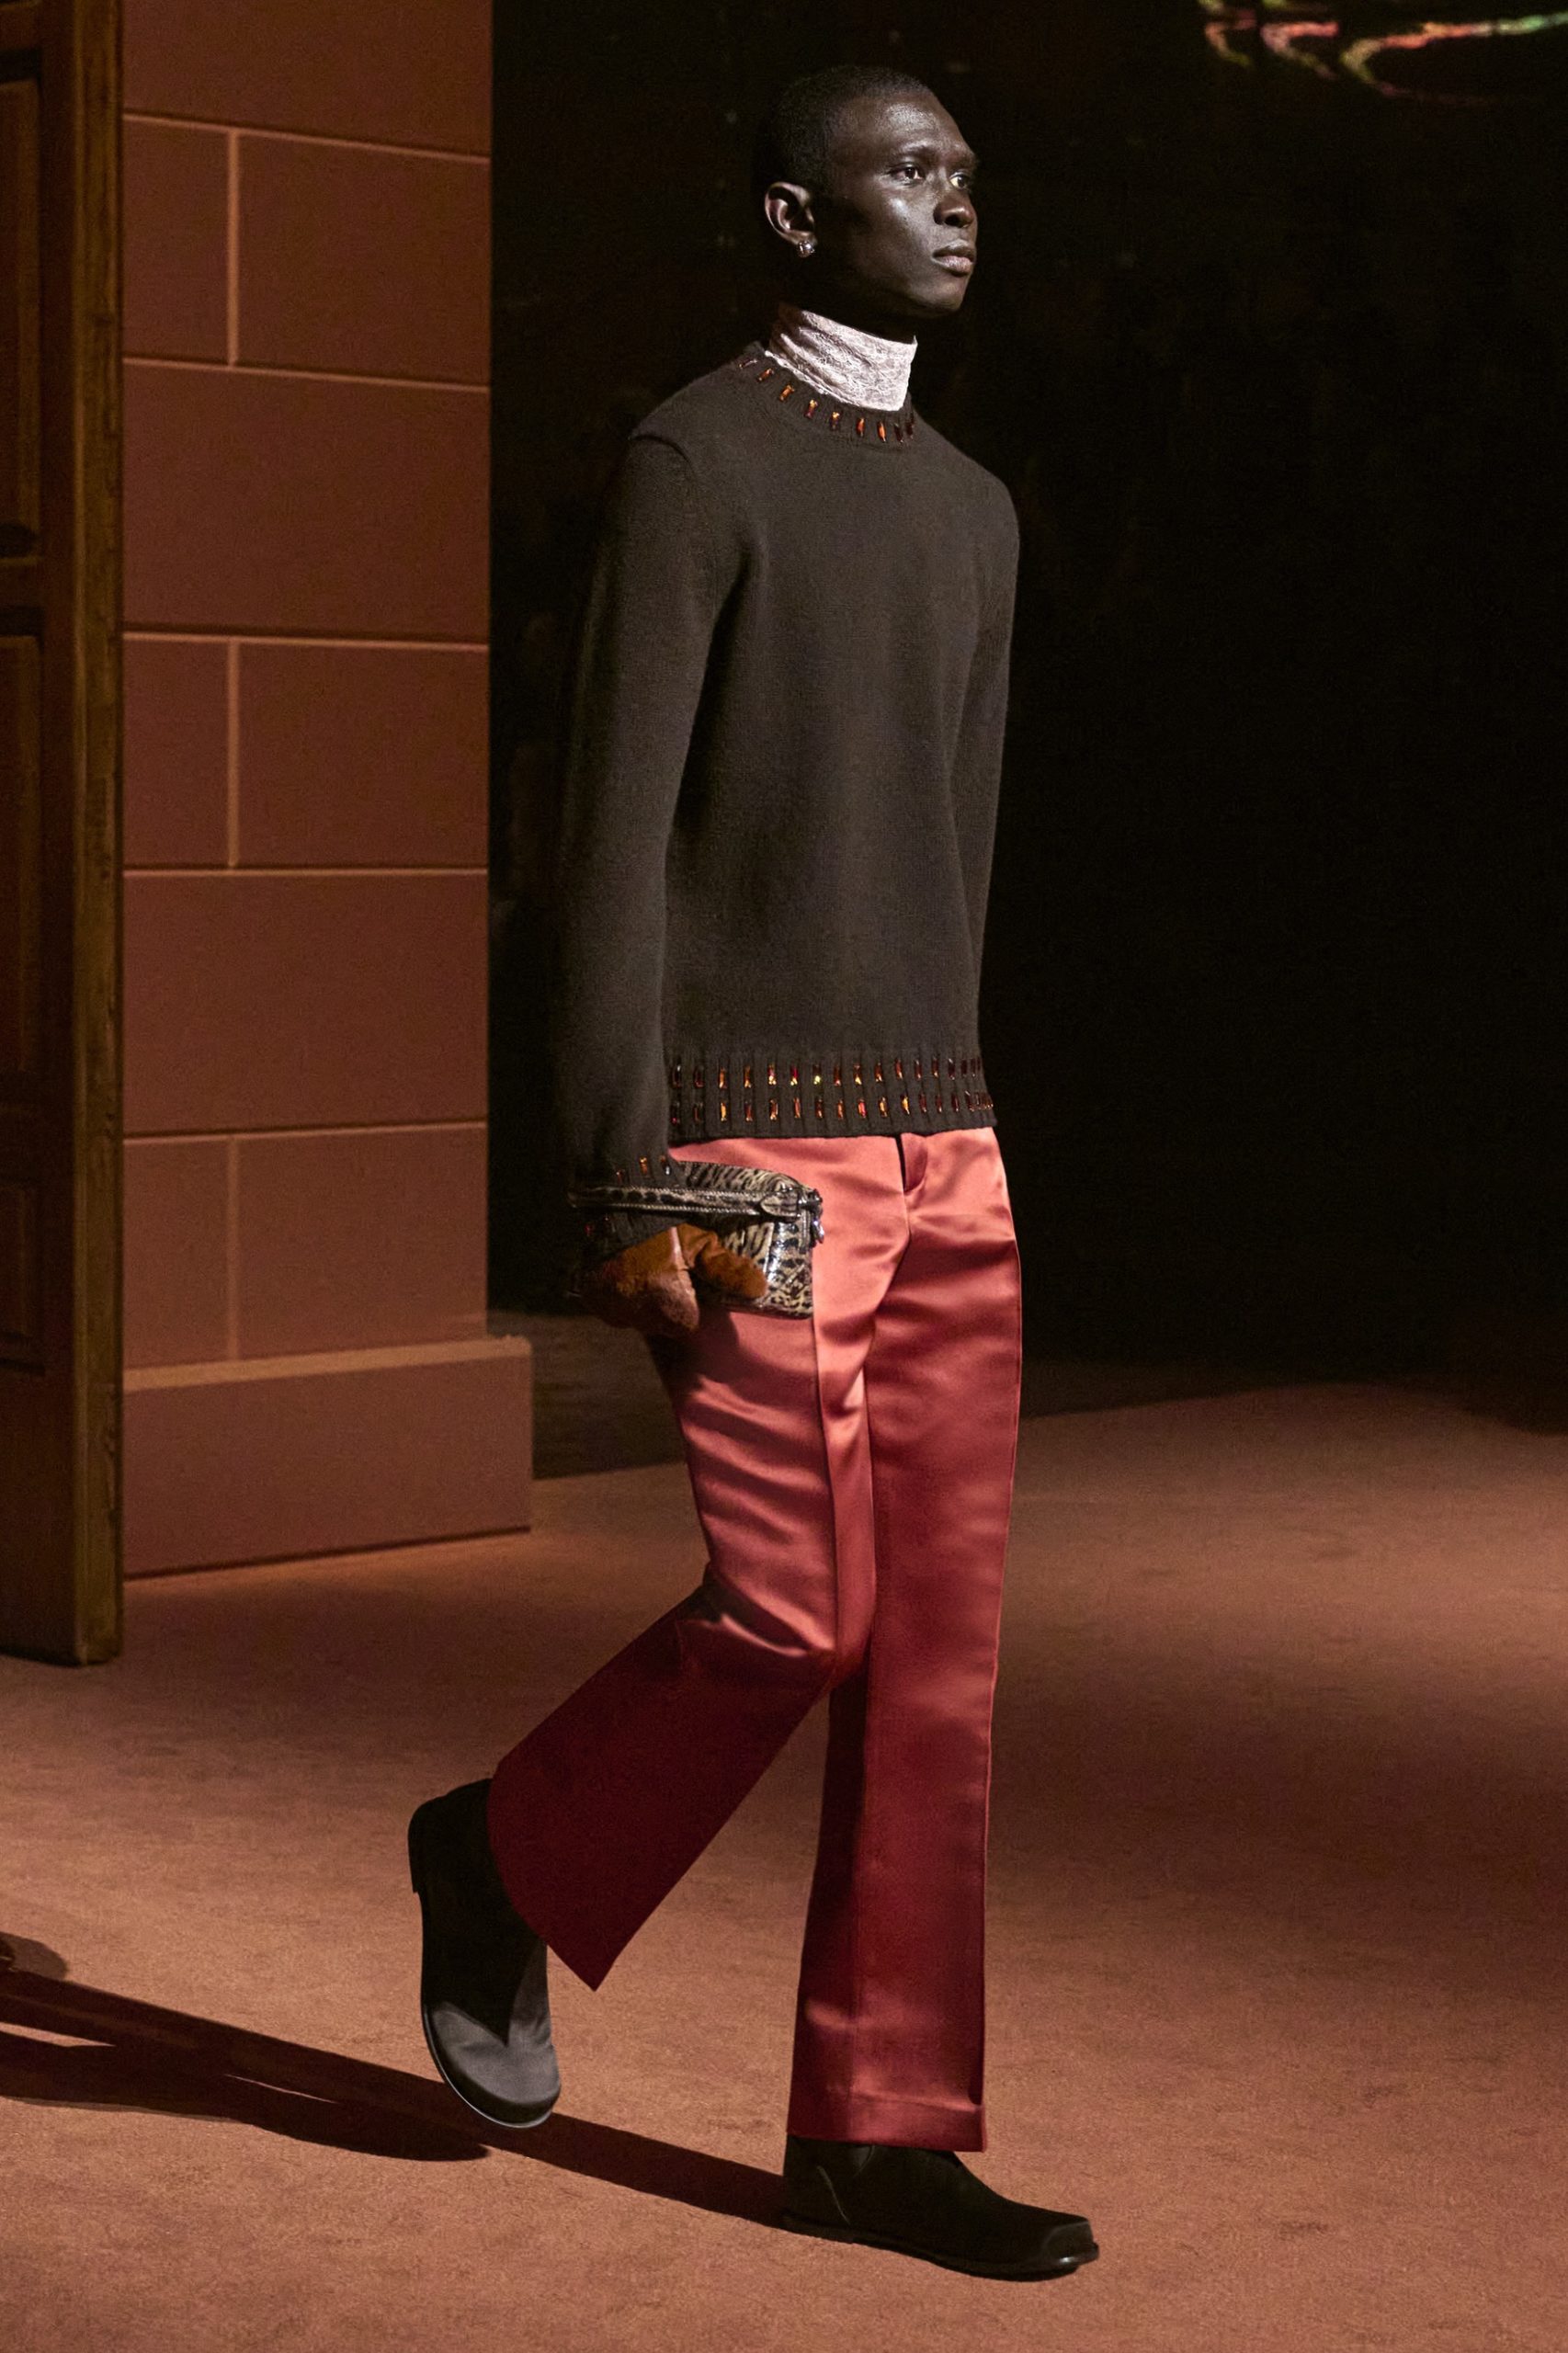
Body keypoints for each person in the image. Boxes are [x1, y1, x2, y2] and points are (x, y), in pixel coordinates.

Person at [407, 62, 1097, 2283]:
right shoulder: (696, 457)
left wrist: (964, 1116)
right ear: (798, 219)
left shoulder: (975, 511)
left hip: (945, 1137)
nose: (955, 203)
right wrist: (621, 1172)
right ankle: (497, 1854)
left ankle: (879, 2128)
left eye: (966, 173)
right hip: (732, 1140)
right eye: (908, 173)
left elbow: (955, 857)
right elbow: (604, 843)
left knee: (938, 1660)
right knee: (797, 1608)